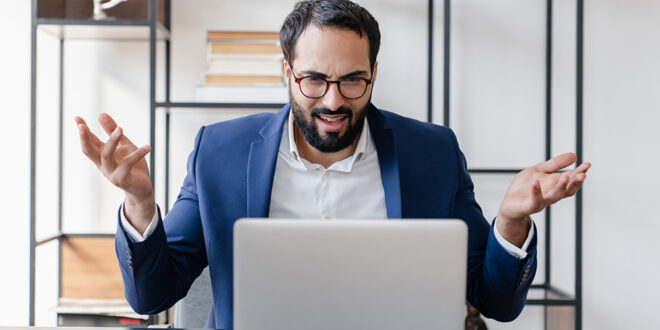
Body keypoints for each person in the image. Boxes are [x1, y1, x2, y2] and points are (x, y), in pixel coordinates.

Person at [74, 0, 590, 328]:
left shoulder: (431, 153)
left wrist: (513, 220)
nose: (333, 101)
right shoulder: (221, 152)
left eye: (353, 80)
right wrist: (139, 202)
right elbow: (152, 294)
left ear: (373, 74)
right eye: (314, 79)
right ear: (287, 72)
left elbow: (495, 301)